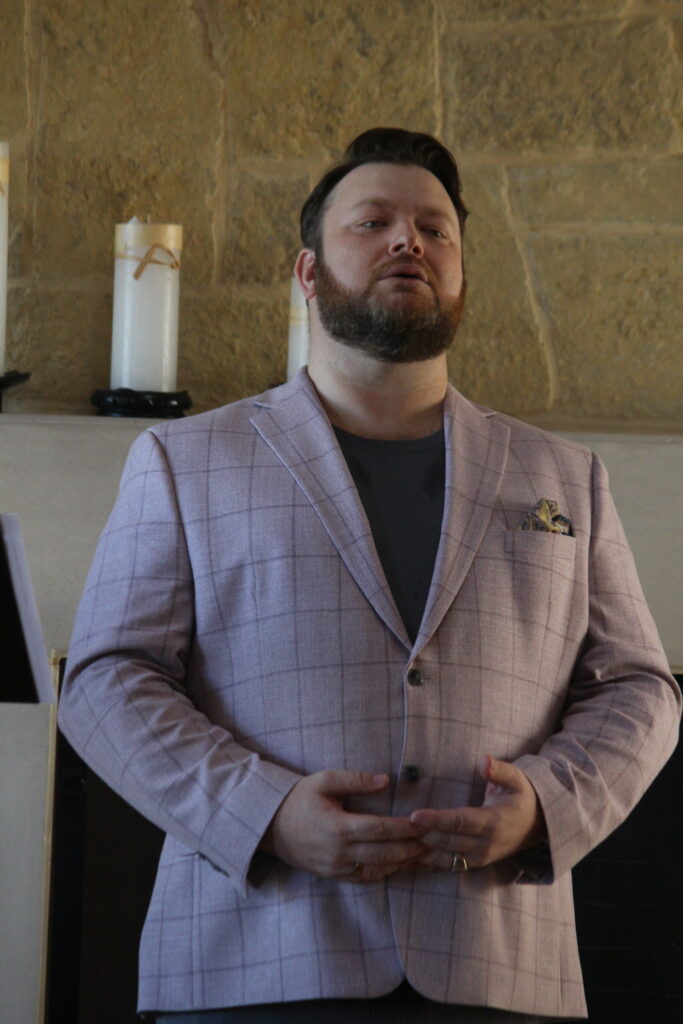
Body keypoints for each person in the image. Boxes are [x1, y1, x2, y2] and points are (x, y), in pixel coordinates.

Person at [58, 128, 680, 1023]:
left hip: (498, 967)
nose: (407, 241)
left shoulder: (563, 476)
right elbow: (106, 680)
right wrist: (266, 813)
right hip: (252, 962)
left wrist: (546, 807)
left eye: (434, 228)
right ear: (308, 273)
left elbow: (638, 688)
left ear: (460, 277)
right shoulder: (182, 460)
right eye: (373, 221)